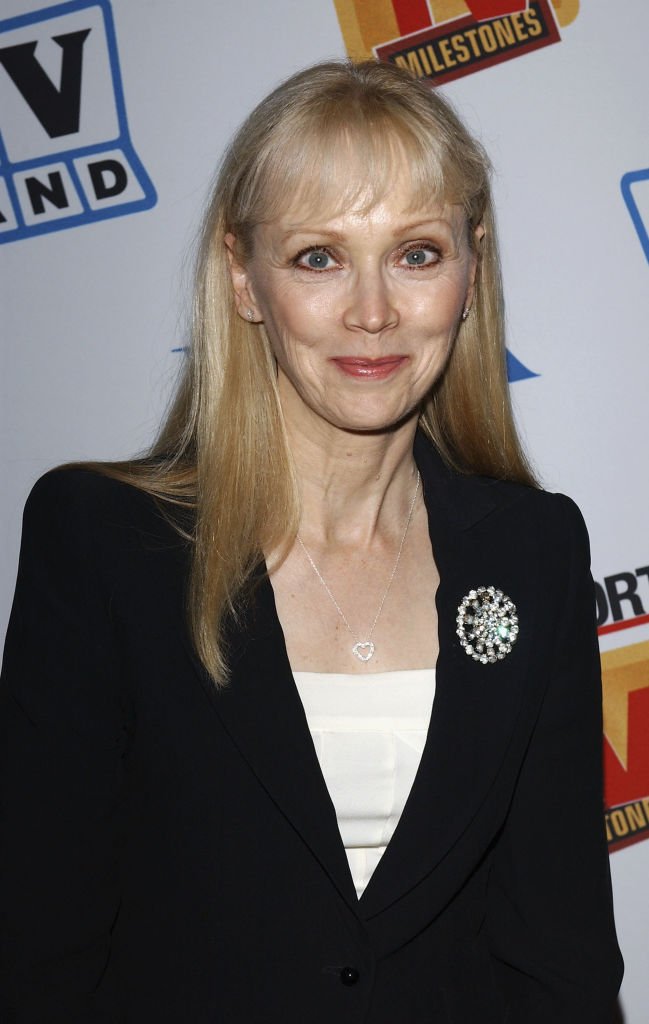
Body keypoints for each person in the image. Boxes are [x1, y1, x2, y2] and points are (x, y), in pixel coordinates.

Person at [0, 60, 622, 1023]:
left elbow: (560, 953)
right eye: (319, 258)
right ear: (243, 278)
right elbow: (39, 948)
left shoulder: (534, 551)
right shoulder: (102, 543)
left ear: (470, 268)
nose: (372, 311)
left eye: (416, 253)